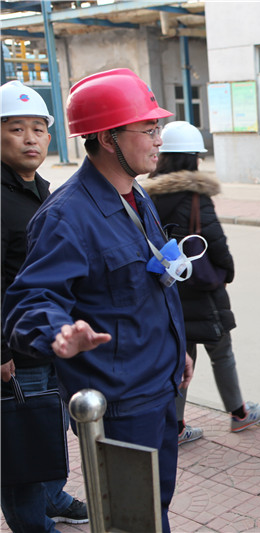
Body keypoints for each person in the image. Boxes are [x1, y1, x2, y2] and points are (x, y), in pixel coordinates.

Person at [2, 68, 192, 533]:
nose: (158, 139)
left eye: (158, 128)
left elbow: (150, 282)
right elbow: (27, 302)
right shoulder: (68, 215)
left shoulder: (135, 195)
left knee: (156, 505)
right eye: (148, 129)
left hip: (160, 384)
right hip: (121, 402)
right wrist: (59, 333)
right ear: (108, 138)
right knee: (133, 519)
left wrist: (177, 348)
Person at [141, 121, 260, 444]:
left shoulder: (146, 195)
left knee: (181, 357)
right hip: (202, 288)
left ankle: (176, 425)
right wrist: (226, 272)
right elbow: (216, 242)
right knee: (221, 349)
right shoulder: (196, 197)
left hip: (168, 290)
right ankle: (239, 413)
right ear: (192, 159)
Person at [0, 80, 89, 530]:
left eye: (38, 129)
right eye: (17, 129)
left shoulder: (42, 190)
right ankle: (33, 523)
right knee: (20, 443)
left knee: (49, 428)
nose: (30, 139)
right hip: (15, 351)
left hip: (47, 341)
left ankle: (52, 497)